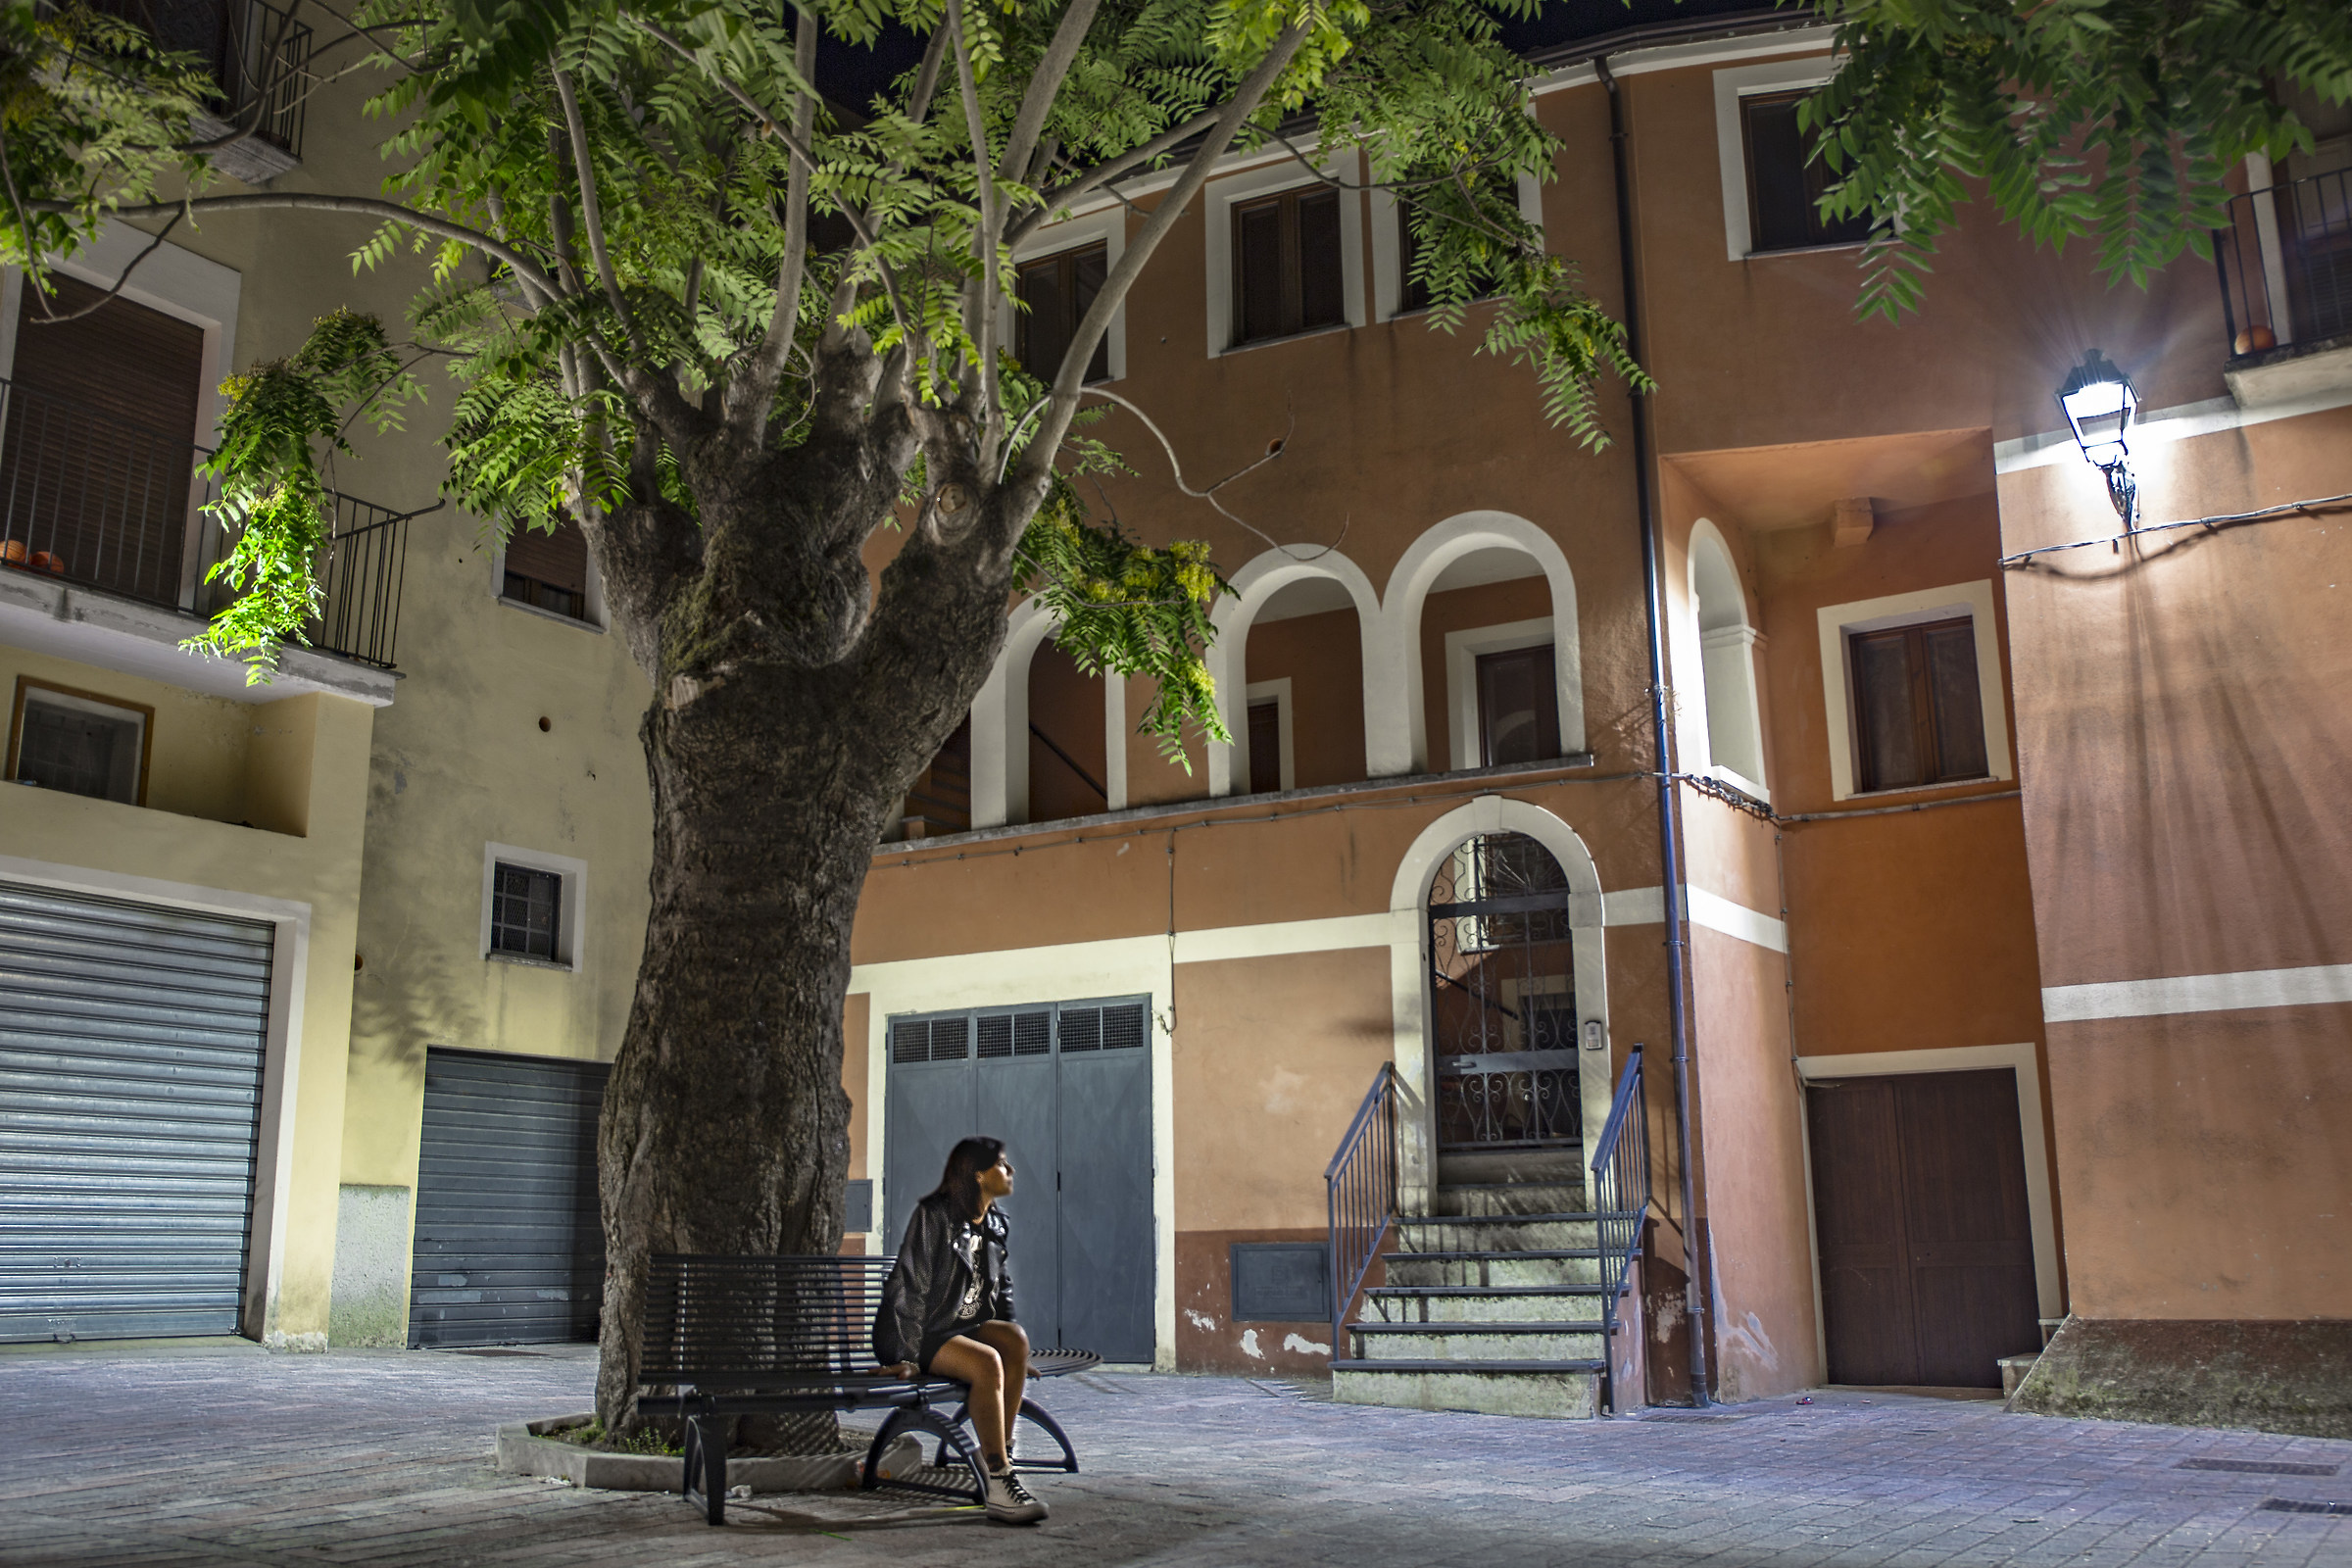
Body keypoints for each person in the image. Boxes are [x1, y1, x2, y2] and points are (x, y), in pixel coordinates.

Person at [873, 1135, 1048, 1525]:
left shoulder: (995, 1222)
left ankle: (999, 1459)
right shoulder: (934, 1216)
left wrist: (1015, 1353)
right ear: (979, 1174)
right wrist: (906, 1355)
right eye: (1002, 1163)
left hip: (961, 1325)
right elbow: (911, 1285)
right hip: (921, 1332)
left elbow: (1001, 1287)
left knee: (1014, 1342)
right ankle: (1000, 1481)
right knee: (987, 1363)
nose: (1011, 1170)